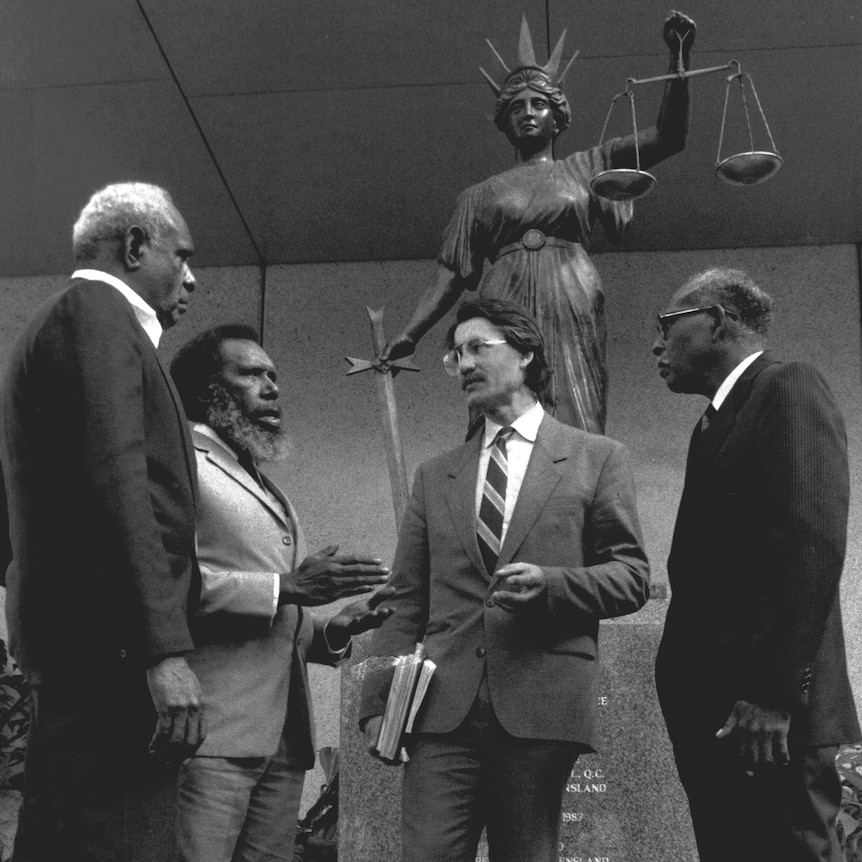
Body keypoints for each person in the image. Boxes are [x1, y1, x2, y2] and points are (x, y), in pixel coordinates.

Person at [360, 298, 649, 862]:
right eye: (456, 355)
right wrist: (378, 700)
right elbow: (404, 599)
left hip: (541, 704)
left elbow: (631, 576)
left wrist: (552, 585)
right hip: (440, 710)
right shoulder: (435, 475)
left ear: (525, 353)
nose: (464, 364)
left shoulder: (596, 458)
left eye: (477, 347)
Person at [0, 182, 204, 860]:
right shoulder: (96, 313)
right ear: (135, 245)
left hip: (81, 652)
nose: (191, 277)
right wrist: (161, 650)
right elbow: (118, 485)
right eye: (182, 255)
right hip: (111, 661)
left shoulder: (64, 324)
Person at [382, 11, 696, 434]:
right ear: (504, 121)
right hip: (504, 299)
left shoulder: (591, 164)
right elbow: (451, 273)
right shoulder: (478, 195)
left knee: (576, 402)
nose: (527, 113)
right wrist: (410, 334)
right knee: (501, 400)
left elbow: (669, 136)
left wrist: (679, 58)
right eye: (516, 107)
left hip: (569, 293)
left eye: (538, 104)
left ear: (557, 116)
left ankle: (576, 468)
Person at [652, 267, 861, 861]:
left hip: (767, 719)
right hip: (718, 715)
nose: (657, 345)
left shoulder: (787, 387)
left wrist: (772, 694)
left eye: (667, 325)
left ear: (717, 321)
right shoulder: (713, 424)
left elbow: (811, 547)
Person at [169, 324, 394, 862]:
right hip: (213, 733)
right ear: (207, 391)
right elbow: (165, 585)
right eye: (251, 374)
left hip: (284, 739)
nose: (272, 387)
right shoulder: (180, 465)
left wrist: (335, 628)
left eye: (273, 375)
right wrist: (288, 586)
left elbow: (276, 615)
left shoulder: (263, 482)